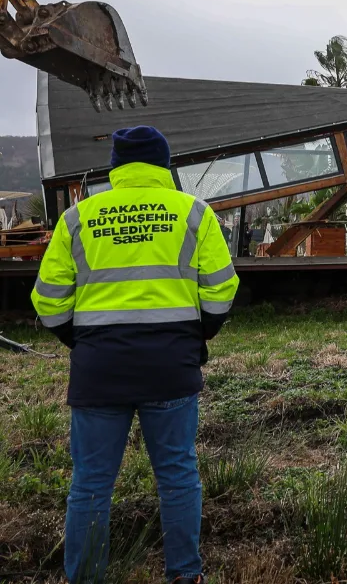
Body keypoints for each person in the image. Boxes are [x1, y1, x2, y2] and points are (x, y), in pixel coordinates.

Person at [31, 126, 239, 584]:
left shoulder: (77, 219)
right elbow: (222, 291)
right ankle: (185, 576)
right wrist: (195, 335)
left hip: (99, 370)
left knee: (90, 484)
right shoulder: (194, 214)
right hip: (171, 366)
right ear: (164, 165)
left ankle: (85, 577)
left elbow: (47, 300)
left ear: (116, 167)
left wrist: (81, 341)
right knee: (178, 477)